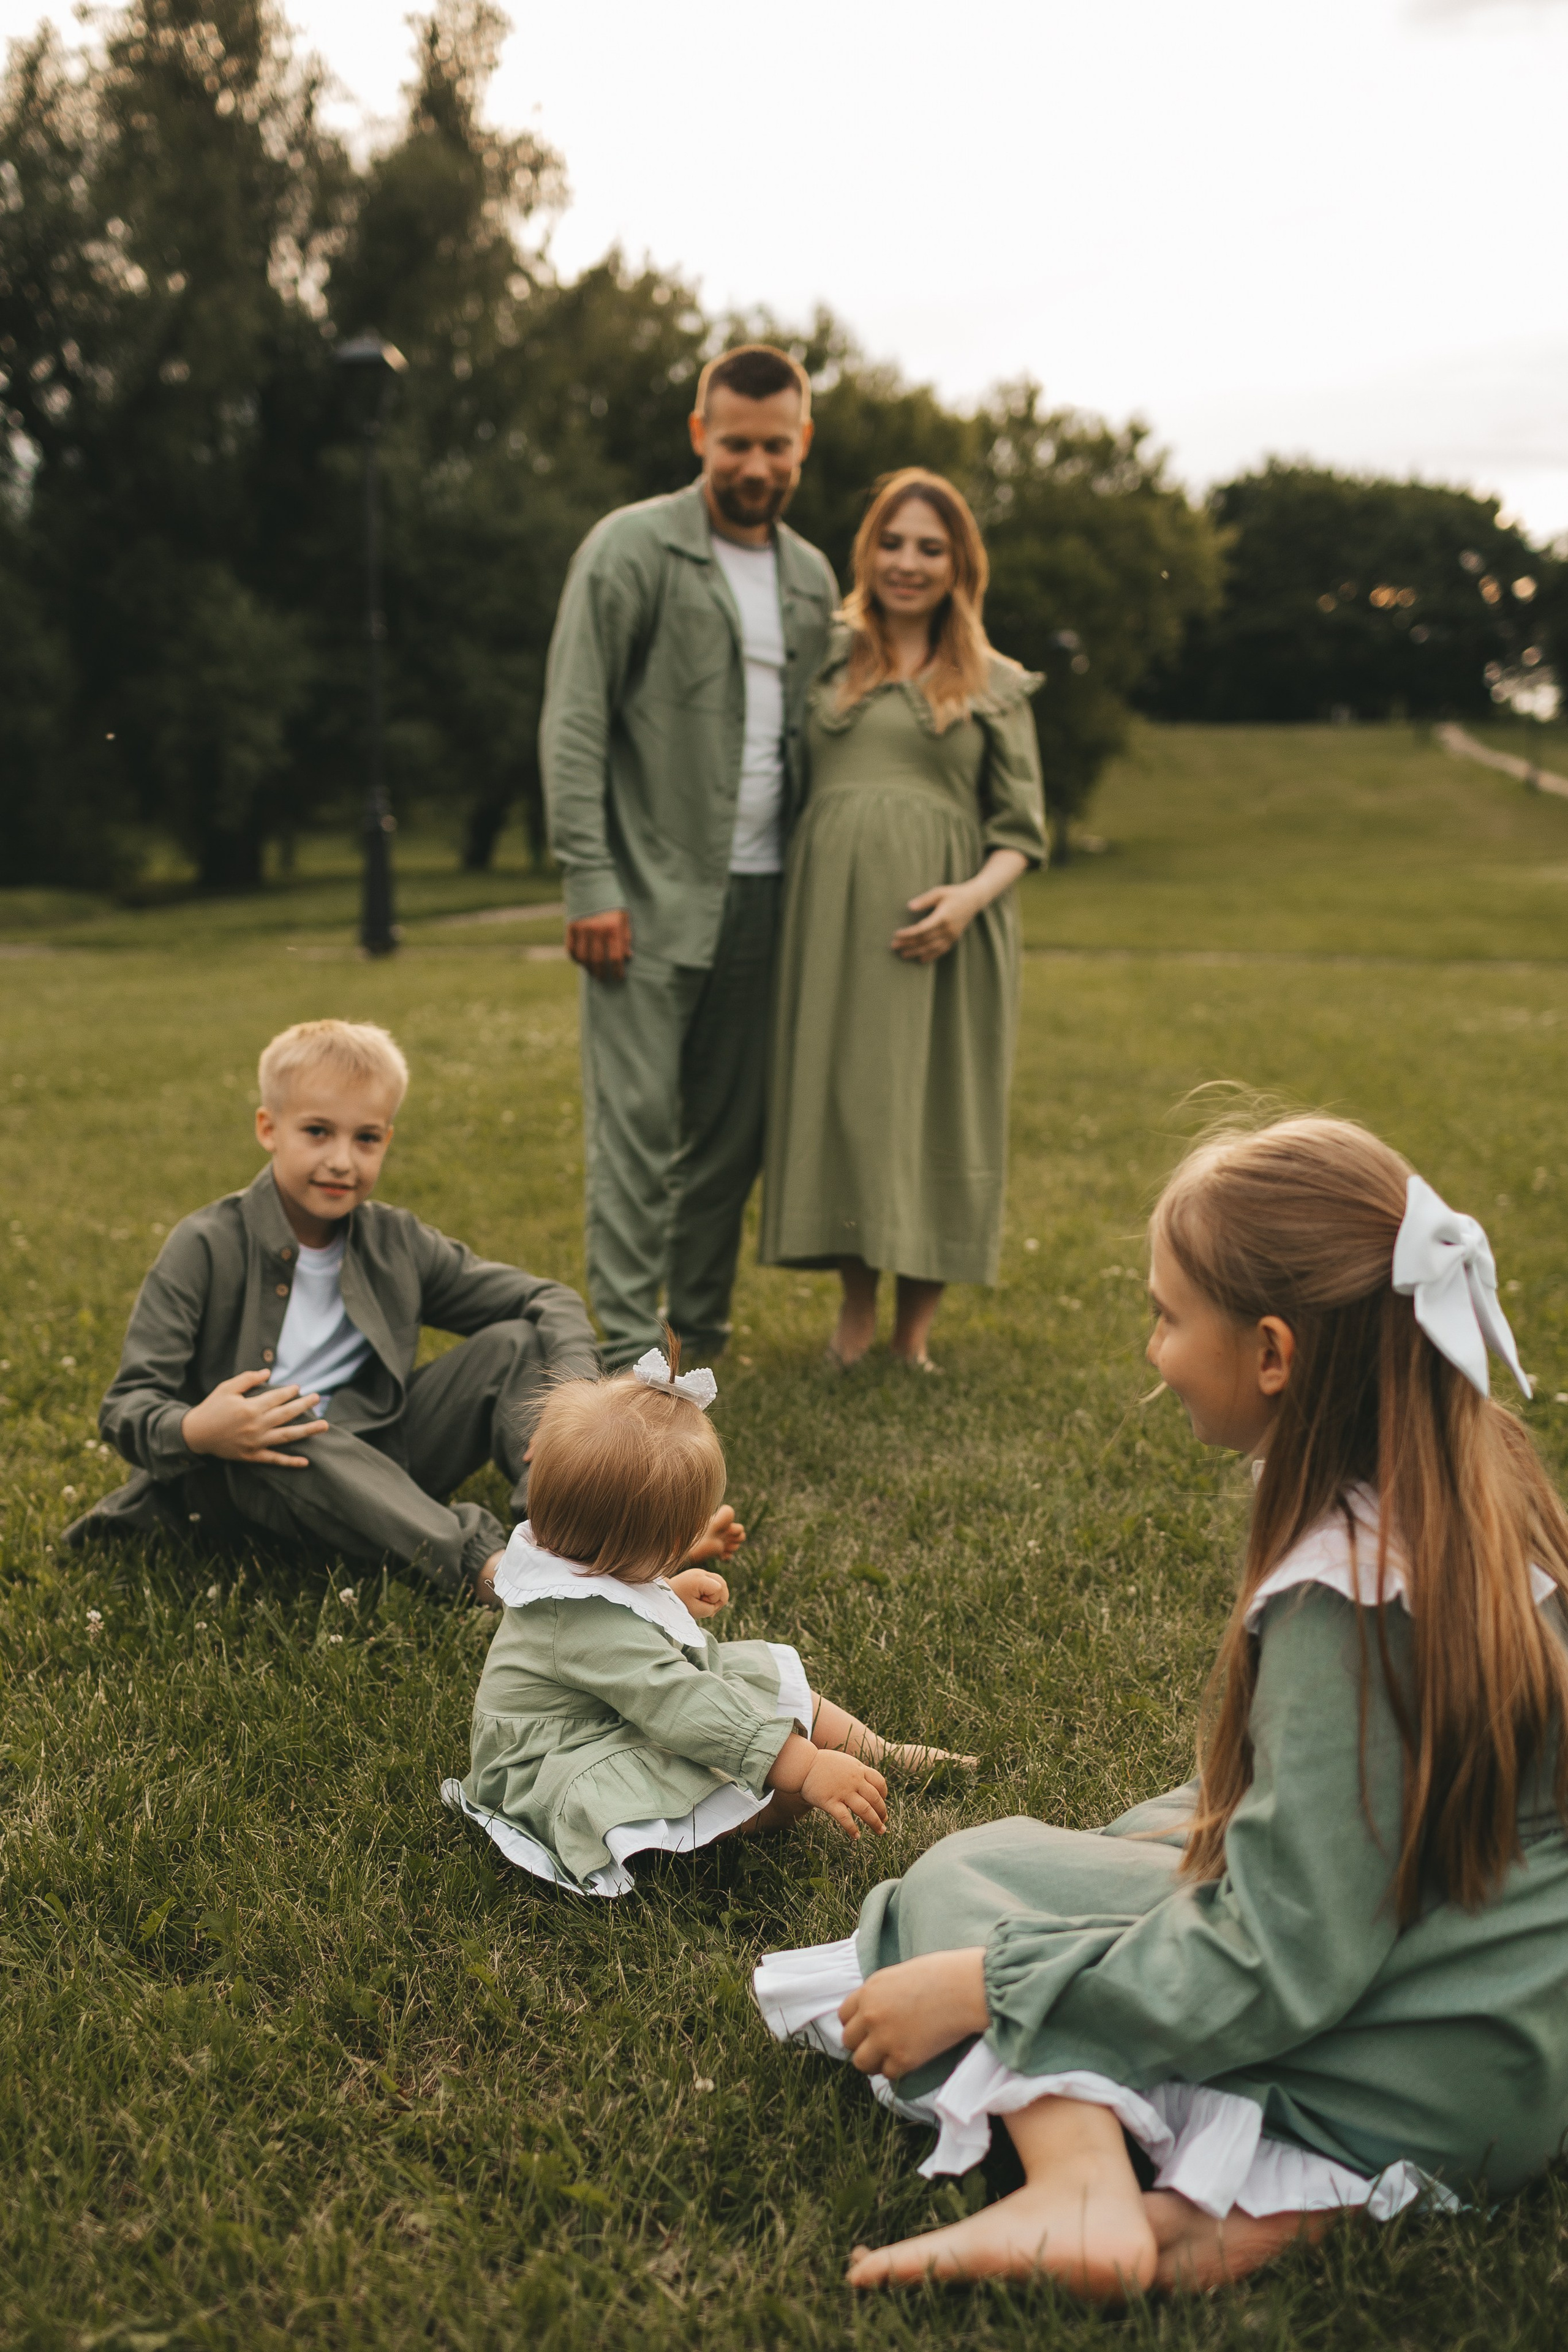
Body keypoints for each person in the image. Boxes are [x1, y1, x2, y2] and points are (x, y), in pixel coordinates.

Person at [755, 1114, 1568, 2297]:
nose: (1153, 1350)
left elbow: (1278, 1960)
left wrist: (991, 1985)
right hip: (1514, 2030)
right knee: (1146, 1832)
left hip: (1412, 2052)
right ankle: (1229, 2219)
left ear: (1275, 1353)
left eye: (1167, 1317)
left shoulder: (1348, 1596)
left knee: (956, 1886)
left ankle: (1079, 2189)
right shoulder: (1475, 1472)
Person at [66, 1020, 600, 1602]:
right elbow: (127, 1406)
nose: (342, 1160)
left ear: (386, 1140)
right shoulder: (204, 1246)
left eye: (365, 1138)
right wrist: (198, 1430)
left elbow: (546, 1298)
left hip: (376, 1455)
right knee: (281, 1417)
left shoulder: (395, 1240)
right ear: (269, 1129)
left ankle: (570, 1535)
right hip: (246, 1476)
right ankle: (496, 1571)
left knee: (518, 1344)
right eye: (317, 1132)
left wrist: (573, 1394)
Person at [540, 343, 840, 1370]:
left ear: (802, 443)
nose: (755, 465)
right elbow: (575, 721)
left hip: (770, 900)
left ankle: (696, 1344)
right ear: (699, 435)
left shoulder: (810, 576)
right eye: (736, 443)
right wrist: (590, 877)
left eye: (776, 444)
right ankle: (631, 1356)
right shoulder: (628, 550)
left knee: (728, 1145)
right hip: (644, 896)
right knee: (632, 1138)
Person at [442, 1343, 970, 1894]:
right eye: (683, 1536)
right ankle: (760, 1807)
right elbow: (681, 1703)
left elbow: (608, 1594)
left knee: (753, 1673)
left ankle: (878, 1750)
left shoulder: (561, 1554)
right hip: (558, 1756)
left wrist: (668, 1587)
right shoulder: (584, 1626)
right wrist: (801, 1767)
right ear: (658, 1543)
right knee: (760, 1779)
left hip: (602, 1708)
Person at [758, 469, 1047, 1370]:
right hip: (833, 929)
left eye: (930, 547)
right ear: (867, 552)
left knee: (934, 1109)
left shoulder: (994, 681)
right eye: (893, 543)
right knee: (850, 1099)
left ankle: (914, 1331)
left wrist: (964, 903)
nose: (908, 563)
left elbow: (1022, 833)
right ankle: (854, 1310)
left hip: (946, 933)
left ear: (960, 562)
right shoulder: (825, 661)